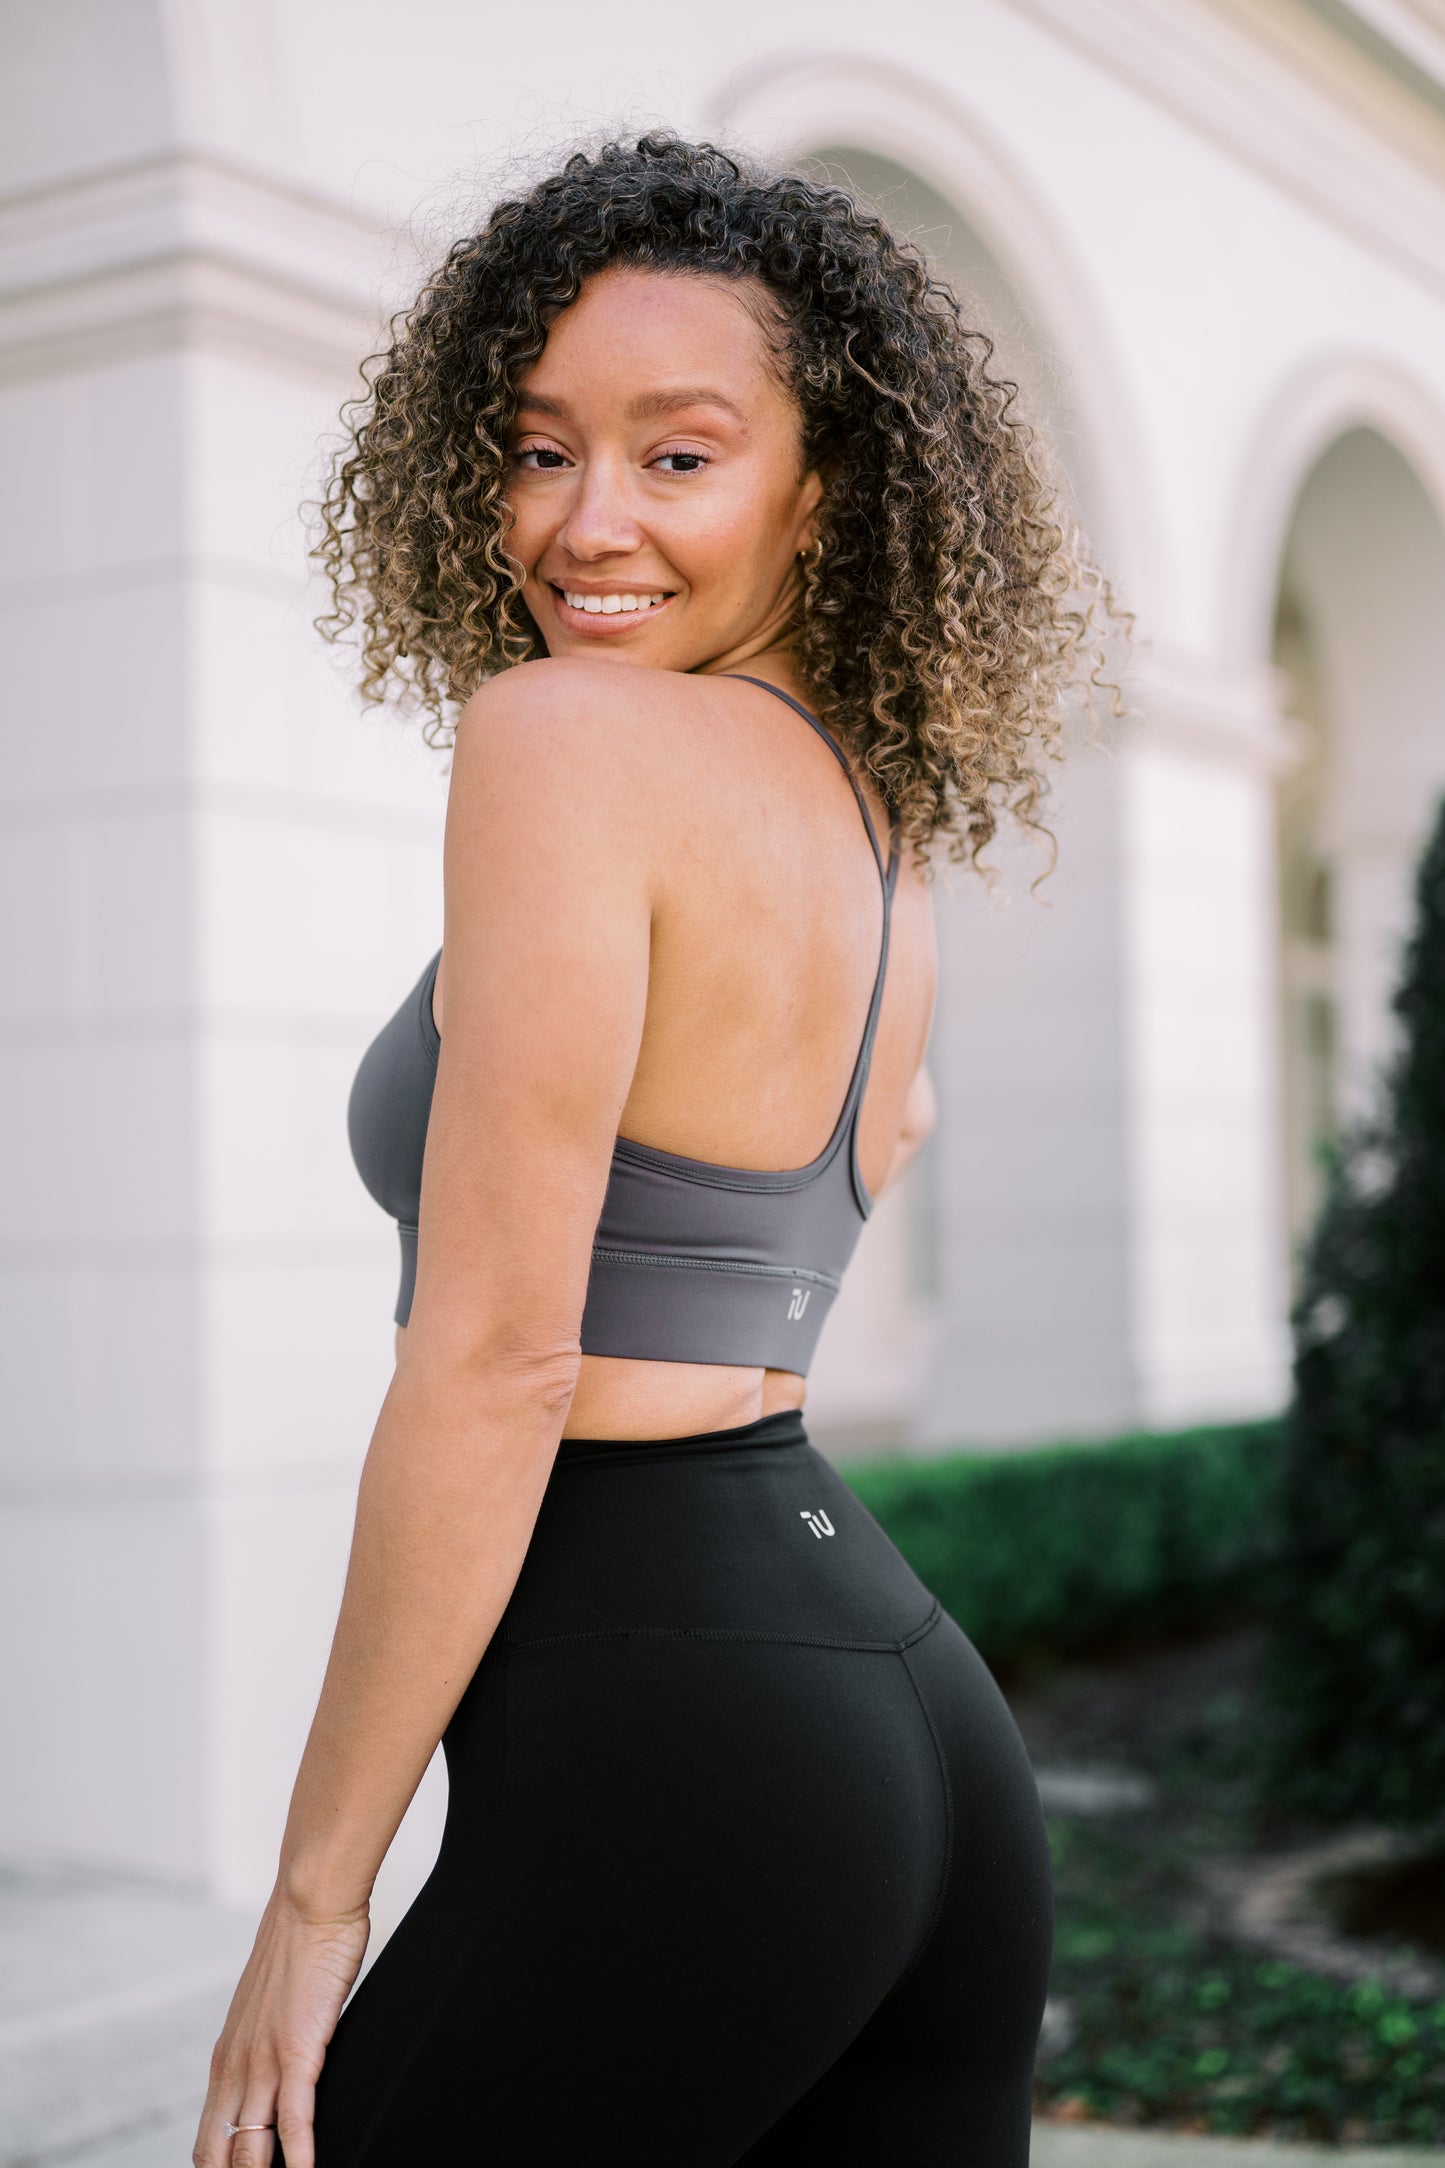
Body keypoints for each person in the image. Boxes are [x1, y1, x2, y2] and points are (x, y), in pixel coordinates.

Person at [193, 134, 1122, 2168]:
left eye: (676, 457)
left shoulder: (564, 741)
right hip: (907, 1721)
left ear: (829, 483)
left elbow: (500, 1357)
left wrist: (312, 1898)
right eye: (537, 451)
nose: (580, 523)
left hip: (684, 1724)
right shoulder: (873, 826)